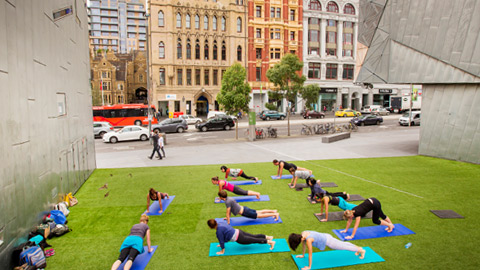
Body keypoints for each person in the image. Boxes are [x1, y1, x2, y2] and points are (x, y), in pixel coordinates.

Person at [288, 231, 365, 270]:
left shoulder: (308, 240)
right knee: (343, 244)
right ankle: (357, 248)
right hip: (326, 236)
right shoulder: (303, 234)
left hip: (329, 241)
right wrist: (303, 255)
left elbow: (310, 253)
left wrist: (309, 267)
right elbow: (303, 245)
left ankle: (361, 250)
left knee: (343, 247)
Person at [207, 219, 275, 255]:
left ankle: (270, 242)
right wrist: (222, 243)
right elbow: (226, 235)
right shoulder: (220, 223)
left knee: (254, 240)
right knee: (254, 236)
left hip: (239, 238)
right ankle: (268, 237)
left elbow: (221, 240)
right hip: (238, 231)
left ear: (210, 227)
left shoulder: (218, 231)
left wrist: (222, 251)